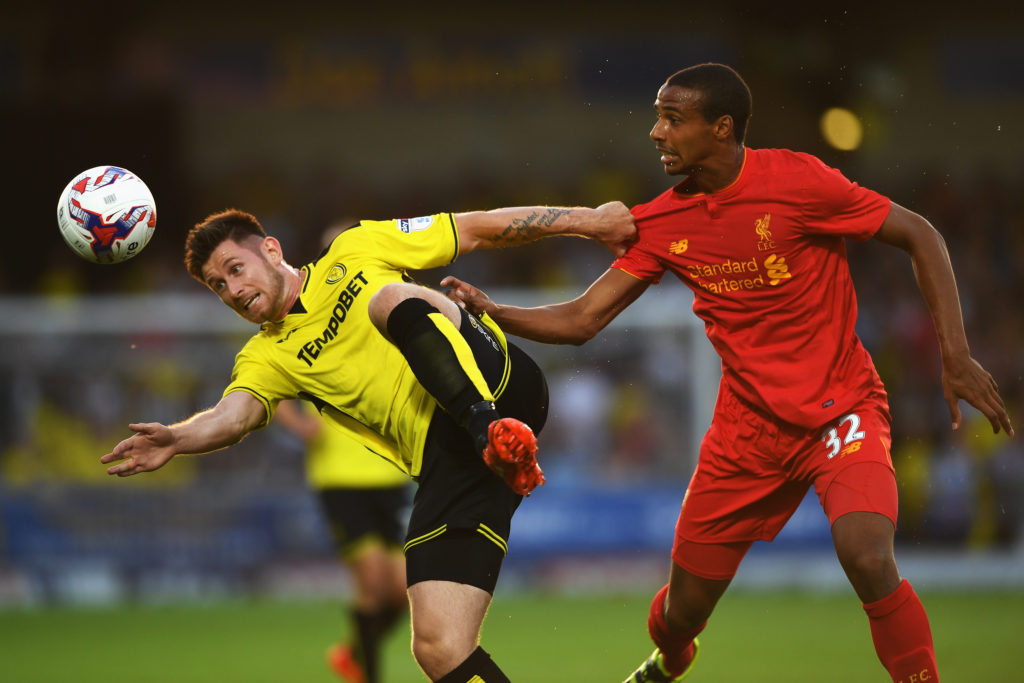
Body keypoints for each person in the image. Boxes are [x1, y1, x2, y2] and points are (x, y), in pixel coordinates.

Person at [441, 63, 1014, 683]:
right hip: (745, 434)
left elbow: (919, 233)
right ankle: (672, 656)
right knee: (679, 614)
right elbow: (583, 318)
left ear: (722, 128)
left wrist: (954, 355)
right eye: (657, 117)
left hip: (841, 410)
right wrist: (496, 312)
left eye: (672, 118)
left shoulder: (799, 182)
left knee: (867, 555)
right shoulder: (661, 221)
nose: (656, 132)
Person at [101, 201, 635, 683]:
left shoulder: (356, 248)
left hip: (495, 385)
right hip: (452, 461)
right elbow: (232, 416)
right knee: (438, 646)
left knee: (390, 298)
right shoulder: (266, 357)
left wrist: (589, 221)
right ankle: (490, 444)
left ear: (270, 250)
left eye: (234, 270)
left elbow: (476, 229)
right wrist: (176, 437)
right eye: (218, 286)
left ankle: (488, 426)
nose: (233, 290)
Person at [274, 398, 411, 683]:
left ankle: (355, 652)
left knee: (405, 589)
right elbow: (276, 390)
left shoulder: (395, 350)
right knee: (372, 580)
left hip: (392, 473)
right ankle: (369, 676)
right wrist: (299, 425)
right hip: (340, 478)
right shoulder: (314, 353)